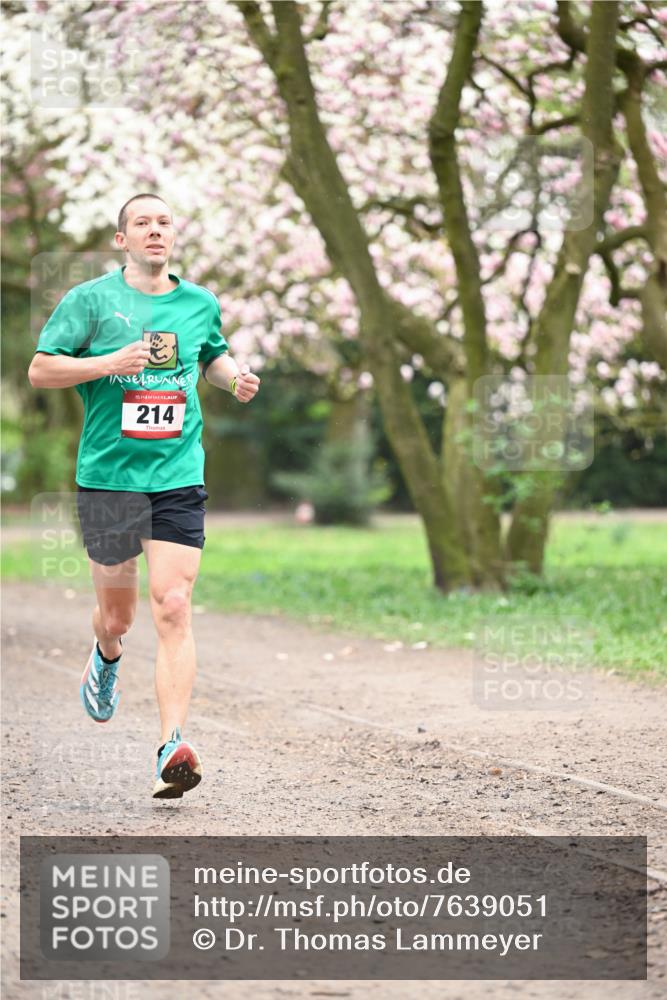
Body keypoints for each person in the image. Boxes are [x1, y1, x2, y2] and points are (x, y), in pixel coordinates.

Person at [28, 193, 261, 799]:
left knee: (174, 603)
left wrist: (233, 378)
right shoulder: (90, 301)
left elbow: (211, 356)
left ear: (173, 235)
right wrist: (107, 363)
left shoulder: (199, 302)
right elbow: (41, 370)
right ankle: (106, 655)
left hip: (177, 475)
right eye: (142, 223)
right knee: (119, 616)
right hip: (109, 478)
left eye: (163, 222)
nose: (155, 230)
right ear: (122, 239)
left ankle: (171, 746)